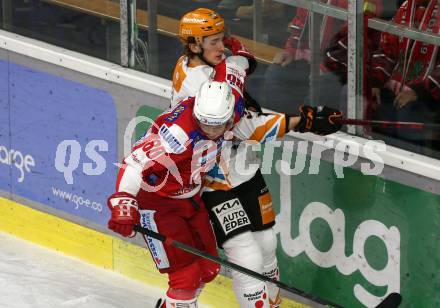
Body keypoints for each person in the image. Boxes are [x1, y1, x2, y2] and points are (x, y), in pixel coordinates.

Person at [107, 78, 342, 308]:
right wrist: (124, 205)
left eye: (217, 124)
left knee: (207, 269)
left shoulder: (232, 110)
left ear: (230, 118)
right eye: (204, 123)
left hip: (190, 199)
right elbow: (134, 164)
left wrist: (304, 122)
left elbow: (255, 125)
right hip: (157, 204)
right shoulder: (178, 135)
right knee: (186, 277)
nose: (210, 130)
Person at [170, 8, 341, 308]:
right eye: (213, 42)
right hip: (214, 180)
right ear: (193, 45)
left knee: (266, 246)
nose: (221, 47)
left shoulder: (210, 61)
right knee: (246, 256)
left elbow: (241, 63)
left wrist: (236, 57)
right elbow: (246, 126)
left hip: (243, 168)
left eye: (221, 39)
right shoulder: (197, 86)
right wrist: (305, 121)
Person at [370, 0, 440, 149]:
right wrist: (375, 82)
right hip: (394, 88)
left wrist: (418, 92)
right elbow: (385, 50)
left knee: (407, 114)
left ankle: (414, 167)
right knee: (367, 102)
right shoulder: (406, 7)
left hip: (428, 95)